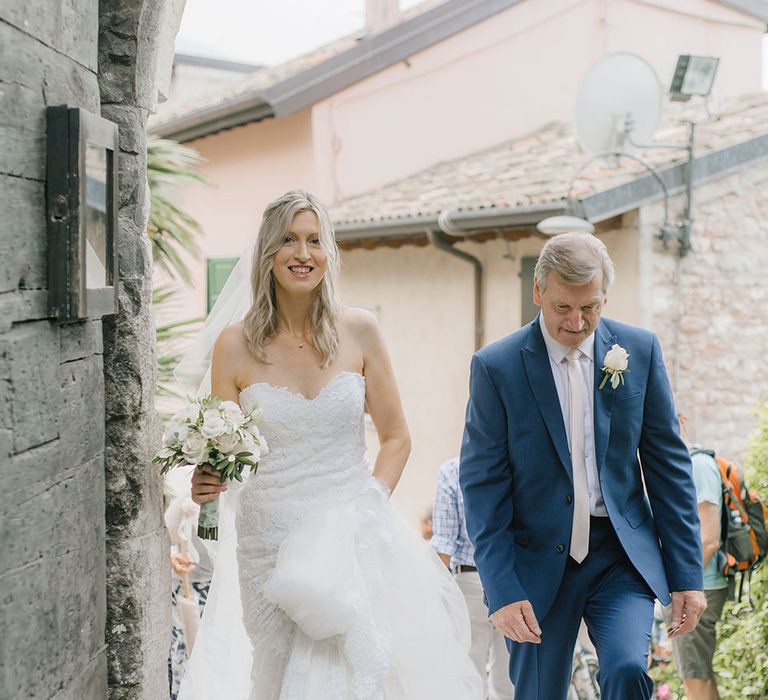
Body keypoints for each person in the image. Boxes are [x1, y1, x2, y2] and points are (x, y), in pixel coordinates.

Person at [177, 190, 481, 699]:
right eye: (289, 241)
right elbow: (225, 451)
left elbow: (397, 437)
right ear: (268, 253)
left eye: (315, 240)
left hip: (353, 529)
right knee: (278, 673)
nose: (303, 253)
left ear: (328, 252)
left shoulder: (361, 329)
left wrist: (368, 505)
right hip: (268, 538)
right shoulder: (234, 344)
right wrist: (207, 479)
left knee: (366, 669)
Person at [460, 232, 707, 700]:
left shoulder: (639, 351)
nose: (577, 322)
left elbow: (669, 470)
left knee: (627, 669)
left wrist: (687, 578)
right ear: (538, 292)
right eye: (562, 308)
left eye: (589, 308)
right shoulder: (497, 367)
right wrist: (502, 588)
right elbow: (482, 486)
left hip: (619, 554)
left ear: (604, 297)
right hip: (534, 561)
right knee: (539, 691)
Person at [432, 456, 515, 700]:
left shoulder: (451, 471)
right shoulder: (514, 466)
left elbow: (443, 543)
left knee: (469, 672)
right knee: (509, 680)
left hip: (468, 581)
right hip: (511, 579)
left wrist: (435, 595)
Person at [661, 416, 728, 700]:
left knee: (694, 679)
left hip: (698, 588)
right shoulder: (681, 465)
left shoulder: (697, 466)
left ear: (682, 421)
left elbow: (709, 538)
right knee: (700, 674)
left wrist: (681, 585)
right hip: (698, 586)